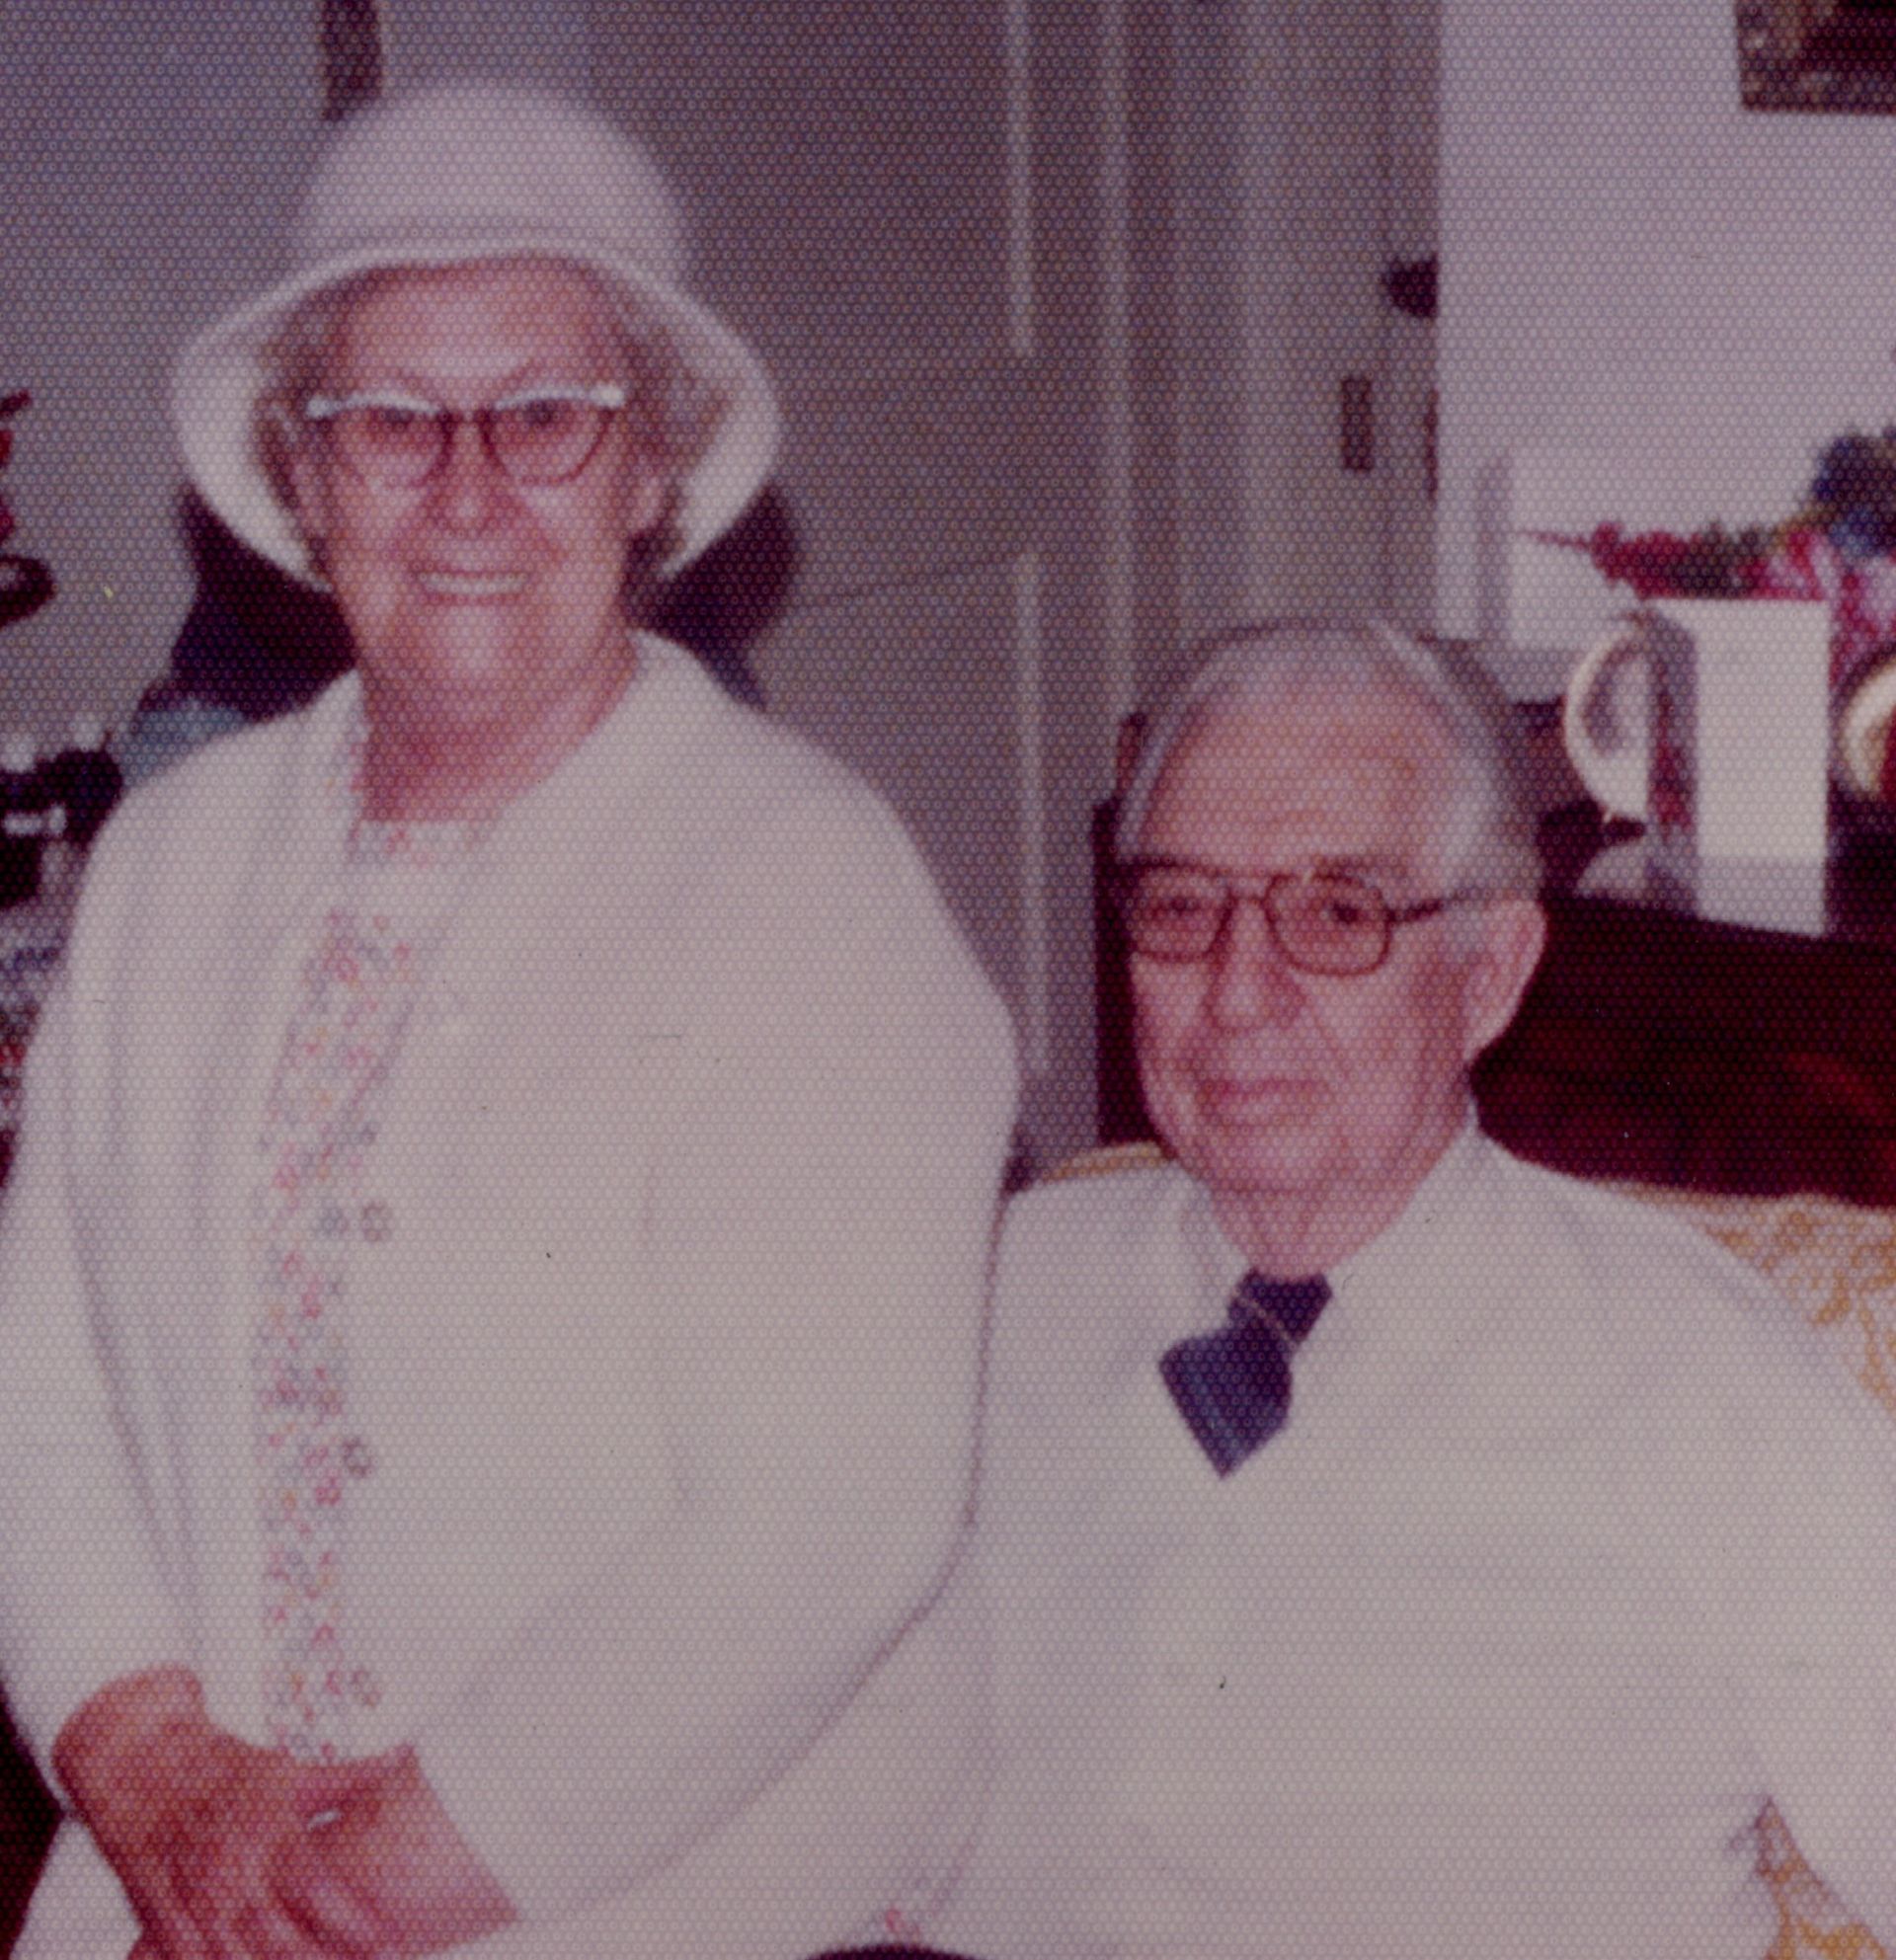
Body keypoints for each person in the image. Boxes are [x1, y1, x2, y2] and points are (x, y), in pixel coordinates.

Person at [0, 80, 1016, 1960]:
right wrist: (146, 1764)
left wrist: (332, 1895)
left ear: (653, 475)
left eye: (548, 417)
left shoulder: (802, 885)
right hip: (194, 1871)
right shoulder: (173, 859)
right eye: (389, 420)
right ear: (305, 481)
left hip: (661, 1877)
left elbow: (816, 1530)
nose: (467, 494)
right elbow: (35, 1391)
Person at [926, 620, 1896, 1959]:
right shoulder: (985, 1297)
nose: (1238, 995)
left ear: (1489, 972)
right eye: (1181, 907)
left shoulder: (1710, 1389)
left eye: (1337, 914)